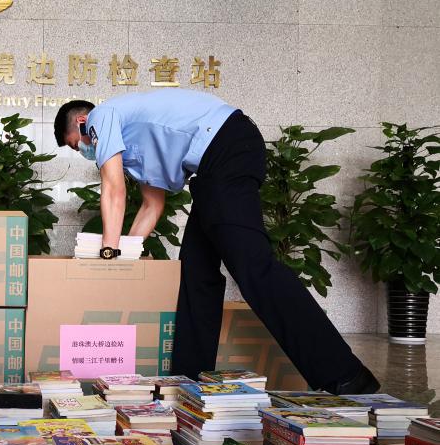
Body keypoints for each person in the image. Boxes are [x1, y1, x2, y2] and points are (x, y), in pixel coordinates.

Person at [54, 89, 380, 395]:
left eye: (77, 144)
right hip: (215, 166)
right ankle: (187, 382)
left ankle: (345, 373)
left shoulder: (102, 116)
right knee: (197, 274)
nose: (86, 150)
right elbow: (152, 204)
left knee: (255, 268)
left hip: (226, 149)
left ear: (82, 123)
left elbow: (114, 190)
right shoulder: (134, 143)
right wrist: (124, 258)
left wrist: (108, 253)